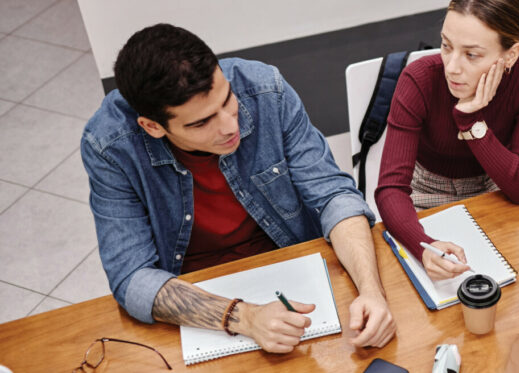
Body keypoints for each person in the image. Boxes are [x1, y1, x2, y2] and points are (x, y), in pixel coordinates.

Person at [81, 24, 396, 352]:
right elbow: (131, 277)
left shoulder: (264, 88)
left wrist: (371, 291)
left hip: (291, 265)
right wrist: (244, 318)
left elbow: (333, 195)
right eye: (201, 123)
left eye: (227, 100)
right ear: (152, 126)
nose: (231, 126)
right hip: (196, 297)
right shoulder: (109, 144)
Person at [375, 0, 519, 280]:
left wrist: (471, 120)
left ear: (510, 54)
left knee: (517, 277)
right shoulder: (418, 79)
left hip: (496, 185)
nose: (452, 68)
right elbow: (390, 189)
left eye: (471, 54)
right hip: (425, 189)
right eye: (446, 46)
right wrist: (425, 247)